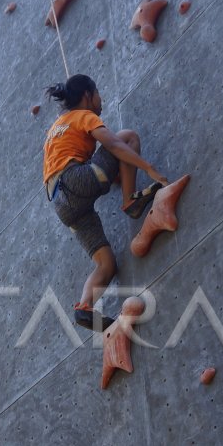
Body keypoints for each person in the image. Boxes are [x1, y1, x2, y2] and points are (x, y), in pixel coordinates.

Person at [43, 74, 168, 330]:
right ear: (87, 96)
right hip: (77, 180)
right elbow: (113, 143)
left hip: (62, 205)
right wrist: (149, 168)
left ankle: (84, 307)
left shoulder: (56, 128)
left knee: (106, 263)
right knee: (127, 137)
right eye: (97, 93)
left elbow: (68, 159)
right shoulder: (84, 116)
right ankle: (130, 201)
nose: (101, 99)